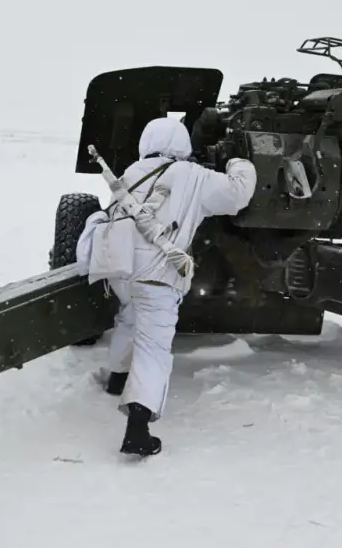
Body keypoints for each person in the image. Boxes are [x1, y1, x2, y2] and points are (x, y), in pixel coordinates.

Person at [76, 116, 257, 456]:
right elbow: (237, 195)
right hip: (157, 273)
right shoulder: (194, 176)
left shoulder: (130, 173)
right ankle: (138, 427)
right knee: (154, 348)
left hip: (120, 270)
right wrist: (239, 158)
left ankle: (117, 376)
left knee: (129, 318)